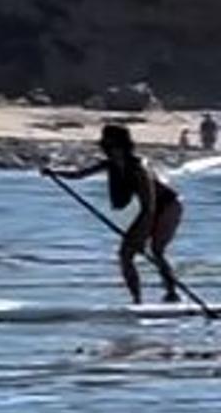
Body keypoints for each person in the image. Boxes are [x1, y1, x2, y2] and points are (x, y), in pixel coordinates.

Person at [45, 124, 184, 304]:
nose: (108, 151)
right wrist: (54, 173)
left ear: (122, 146)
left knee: (155, 251)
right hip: (150, 208)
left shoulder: (139, 168)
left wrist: (139, 235)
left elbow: (149, 206)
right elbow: (79, 175)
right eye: (106, 147)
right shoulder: (110, 164)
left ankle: (171, 294)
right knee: (125, 255)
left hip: (168, 206)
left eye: (111, 146)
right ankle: (137, 301)